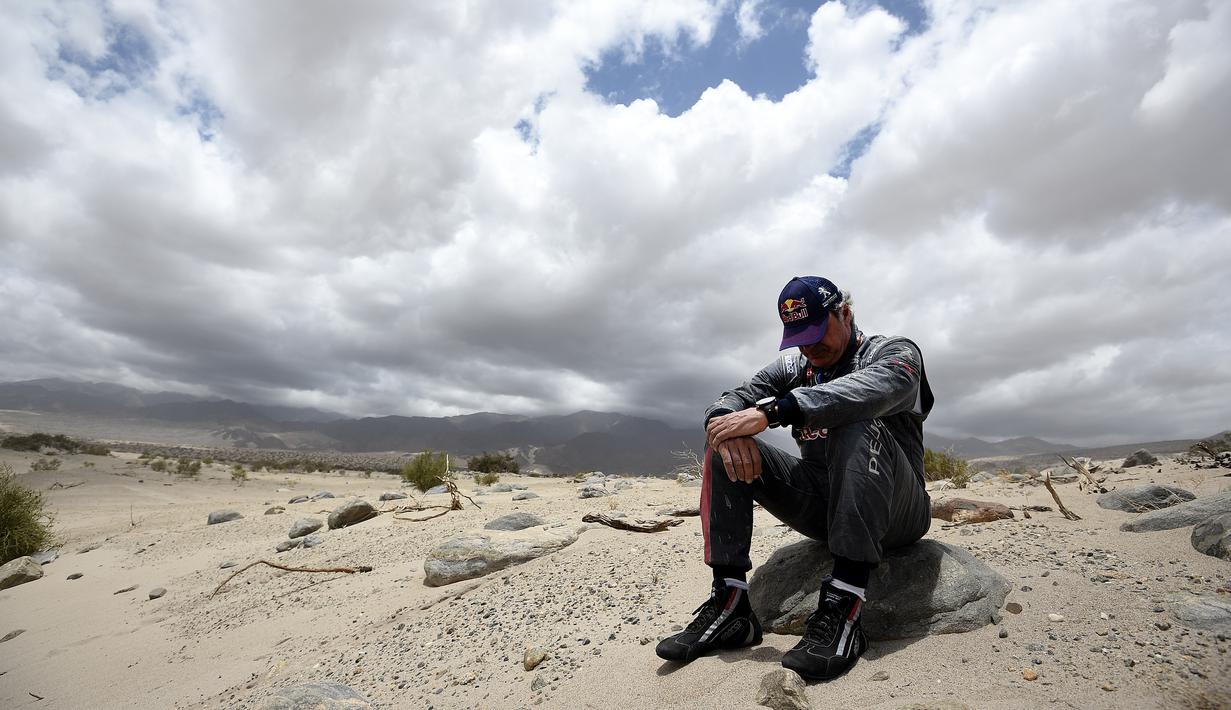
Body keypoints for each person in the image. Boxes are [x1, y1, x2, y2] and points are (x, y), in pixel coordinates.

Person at [655, 275, 934, 681]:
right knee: (723, 445)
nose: (809, 345)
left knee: (857, 423)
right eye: (799, 337)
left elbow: (887, 384)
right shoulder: (794, 366)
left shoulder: (892, 352)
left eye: (818, 332)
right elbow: (732, 397)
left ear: (846, 314)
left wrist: (776, 411)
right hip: (825, 504)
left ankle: (846, 605)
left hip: (897, 510)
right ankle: (731, 602)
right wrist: (723, 426)